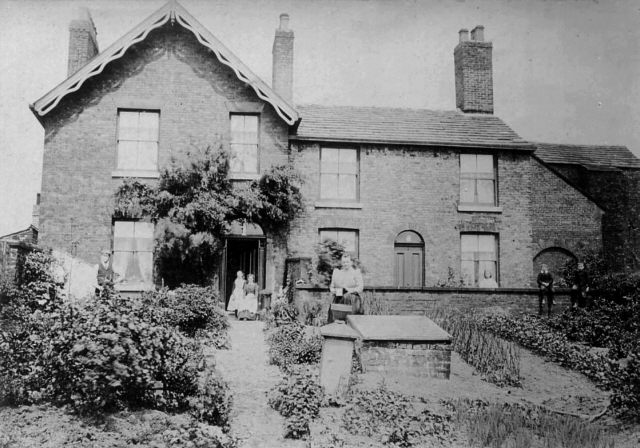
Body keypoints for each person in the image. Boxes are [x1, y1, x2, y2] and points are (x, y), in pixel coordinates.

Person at [328, 252, 364, 323]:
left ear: (351, 262)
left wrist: (349, 290)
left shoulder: (355, 272)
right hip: (339, 297)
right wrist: (335, 291)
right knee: (335, 316)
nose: (345, 264)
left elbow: (360, 287)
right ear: (341, 263)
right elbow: (332, 287)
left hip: (352, 299)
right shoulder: (337, 273)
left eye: (347, 262)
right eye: (344, 262)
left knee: (350, 320)